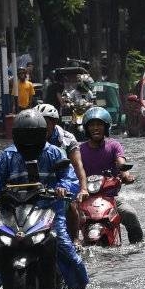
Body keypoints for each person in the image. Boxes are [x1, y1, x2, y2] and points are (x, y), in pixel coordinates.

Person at [0, 110, 88, 289]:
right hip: (12, 214)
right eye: (24, 134)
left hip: (48, 211)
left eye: (33, 134)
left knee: (67, 253)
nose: (29, 139)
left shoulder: (54, 153)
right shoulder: (7, 156)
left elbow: (69, 177)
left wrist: (62, 188)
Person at [78, 107, 144, 244]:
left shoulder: (114, 145)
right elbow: (74, 170)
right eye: (92, 125)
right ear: (86, 128)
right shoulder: (80, 150)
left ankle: (138, 247)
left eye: (99, 124)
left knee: (130, 214)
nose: (96, 128)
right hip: (84, 197)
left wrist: (125, 174)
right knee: (67, 220)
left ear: (106, 127)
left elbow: (121, 161)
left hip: (110, 198)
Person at [34, 103, 89, 240]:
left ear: (54, 122)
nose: (42, 127)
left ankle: (75, 239)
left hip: (64, 181)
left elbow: (77, 165)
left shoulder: (66, 139)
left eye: (45, 123)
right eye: (38, 122)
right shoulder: (30, 137)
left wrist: (83, 189)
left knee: (70, 205)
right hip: (38, 183)